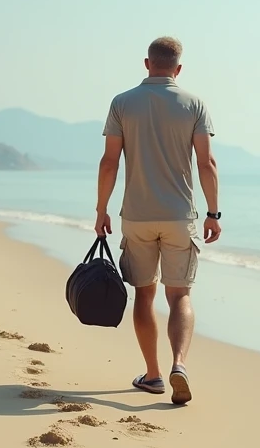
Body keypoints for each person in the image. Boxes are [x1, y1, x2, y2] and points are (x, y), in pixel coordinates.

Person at [94, 36, 221, 406]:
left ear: (147, 64)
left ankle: (152, 375)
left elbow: (109, 162)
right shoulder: (194, 104)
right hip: (180, 215)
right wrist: (213, 213)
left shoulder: (122, 103)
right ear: (178, 69)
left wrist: (101, 210)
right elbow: (206, 163)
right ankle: (179, 364)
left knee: (144, 293)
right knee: (180, 293)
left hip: (136, 215)